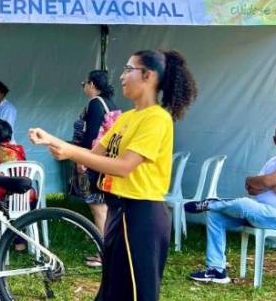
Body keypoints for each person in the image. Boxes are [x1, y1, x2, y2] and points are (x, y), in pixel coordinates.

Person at [29, 49, 198, 301]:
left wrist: (68, 152)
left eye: (128, 69)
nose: (121, 76)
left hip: (143, 214)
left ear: (148, 76)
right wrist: (53, 141)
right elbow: (94, 153)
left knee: (136, 292)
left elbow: (123, 166)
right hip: (119, 210)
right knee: (113, 290)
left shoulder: (157, 118)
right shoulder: (126, 117)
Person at [187, 119, 276, 284]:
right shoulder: (272, 162)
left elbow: (265, 182)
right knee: (216, 215)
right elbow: (250, 186)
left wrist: (268, 183)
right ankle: (217, 270)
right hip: (257, 213)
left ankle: (212, 202)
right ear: (274, 140)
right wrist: (270, 184)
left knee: (244, 203)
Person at [68, 69, 119, 266]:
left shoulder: (95, 104)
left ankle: (105, 254)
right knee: (103, 207)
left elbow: (90, 136)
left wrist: (83, 160)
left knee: (98, 207)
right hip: (106, 160)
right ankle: (107, 251)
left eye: (85, 84)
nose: (84, 88)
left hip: (95, 162)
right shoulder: (110, 103)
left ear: (92, 85)